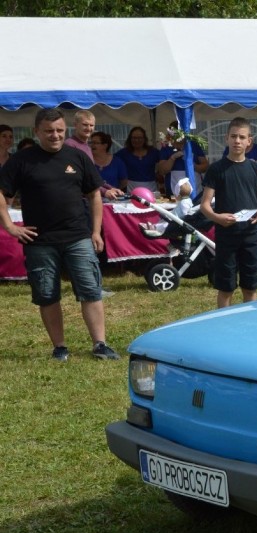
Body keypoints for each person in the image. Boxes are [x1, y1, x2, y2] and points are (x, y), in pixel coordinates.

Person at [0, 108, 120, 361]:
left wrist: (96, 231)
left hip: (78, 237)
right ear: (36, 132)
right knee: (47, 294)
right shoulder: (22, 160)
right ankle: (60, 347)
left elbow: (94, 194)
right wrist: (10, 227)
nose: (55, 136)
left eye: (59, 131)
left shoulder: (78, 156)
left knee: (91, 290)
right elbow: (2, 194)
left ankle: (100, 344)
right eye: (49, 131)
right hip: (39, 241)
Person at [200, 117, 257, 308]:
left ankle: (250, 324)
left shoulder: (256, 169)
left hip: (251, 235)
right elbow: (204, 205)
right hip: (226, 236)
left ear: (249, 141)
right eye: (233, 136)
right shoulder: (216, 169)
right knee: (226, 288)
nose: (237, 141)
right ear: (226, 139)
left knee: (250, 287)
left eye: (241, 137)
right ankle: (224, 327)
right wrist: (217, 218)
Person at [158, 120, 209, 198]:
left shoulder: (193, 145)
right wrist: (172, 158)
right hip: (173, 192)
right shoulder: (166, 147)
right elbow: (162, 170)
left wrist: (192, 165)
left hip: (195, 189)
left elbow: (205, 166)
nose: (179, 140)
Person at [116, 126, 160, 195]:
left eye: (140, 138)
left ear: (144, 139)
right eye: (134, 138)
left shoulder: (153, 152)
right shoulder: (123, 153)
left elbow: (163, 165)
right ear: (130, 139)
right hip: (131, 189)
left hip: (151, 188)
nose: (137, 140)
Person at [90, 131, 127, 200]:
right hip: (93, 199)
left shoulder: (117, 161)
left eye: (96, 143)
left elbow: (124, 181)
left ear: (105, 145)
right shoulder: (87, 160)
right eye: (91, 142)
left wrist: (114, 190)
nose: (92, 145)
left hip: (113, 199)